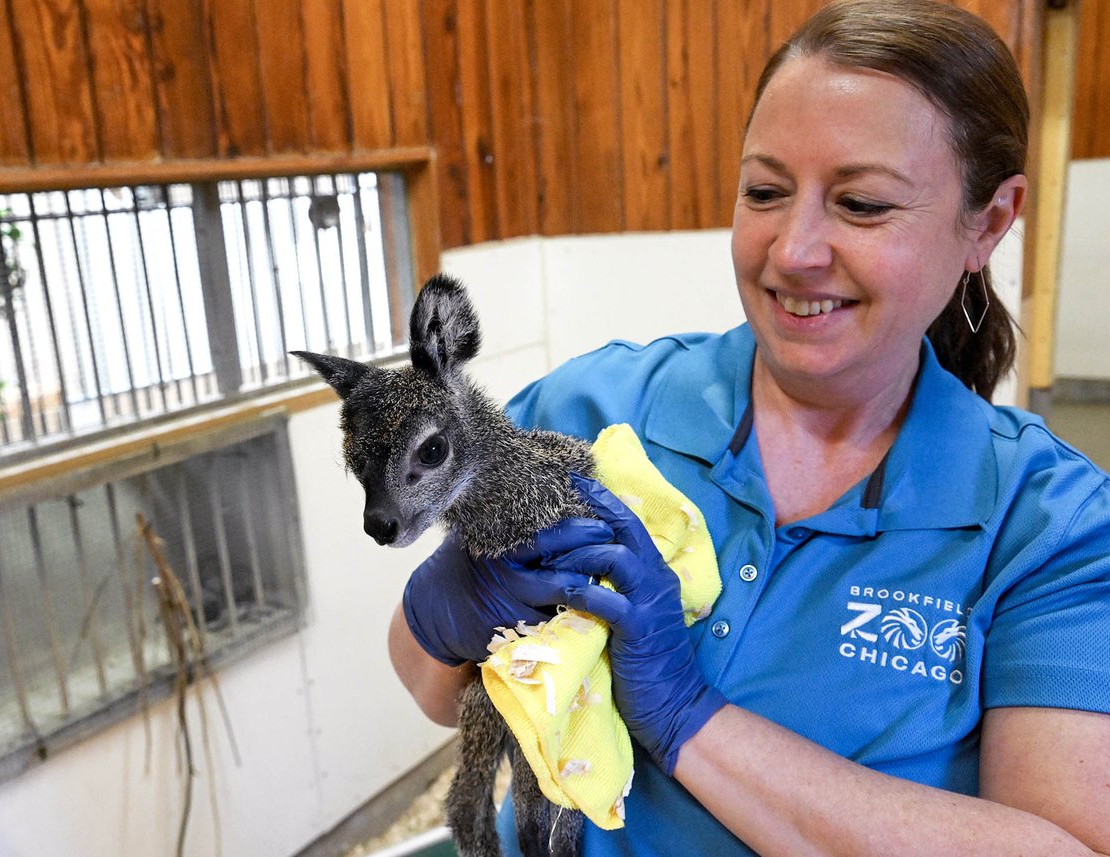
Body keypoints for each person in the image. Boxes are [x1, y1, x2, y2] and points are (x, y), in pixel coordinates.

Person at [388, 0, 1110, 854]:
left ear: (988, 222)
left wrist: (692, 717)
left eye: (863, 204)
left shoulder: (1046, 527)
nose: (794, 248)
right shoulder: (595, 409)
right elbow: (437, 687)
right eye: (764, 191)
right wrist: (441, 615)